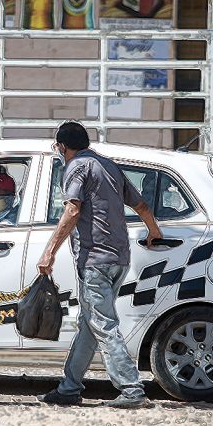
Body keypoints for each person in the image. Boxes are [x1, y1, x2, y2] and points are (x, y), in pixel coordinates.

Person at [36, 121, 163, 408]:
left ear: (62, 147)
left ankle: (132, 390)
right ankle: (69, 388)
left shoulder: (77, 167)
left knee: (102, 325)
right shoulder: (109, 166)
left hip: (95, 259)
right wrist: (154, 231)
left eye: (58, 147)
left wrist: (49, 252)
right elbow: (141, 205)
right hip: (118, 257)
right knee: (89, 324)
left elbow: (72, 209)